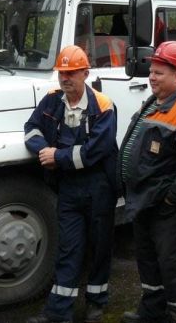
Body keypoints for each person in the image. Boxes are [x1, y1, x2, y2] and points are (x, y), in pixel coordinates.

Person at [119, 41, 176, 323]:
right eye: (152, 70)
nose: (152, 76)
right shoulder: (154, 102)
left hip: (168, 209)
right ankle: (152, 312)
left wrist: (172, 198)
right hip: (145, 203)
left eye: (159, 72)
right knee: (149, 263)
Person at [24, 45, 119, 323]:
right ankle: (58, 312)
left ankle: (96, 303)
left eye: (72, 73)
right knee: (68, 248)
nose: (66, 78)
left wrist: (58, 157)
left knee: (100, 247)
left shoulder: (103, 106)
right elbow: (31, 128)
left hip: (99, 186)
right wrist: (43, 150)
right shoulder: (52, 101)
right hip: (68, 188)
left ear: (85, 73)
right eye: (62, 72)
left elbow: (94, 152)